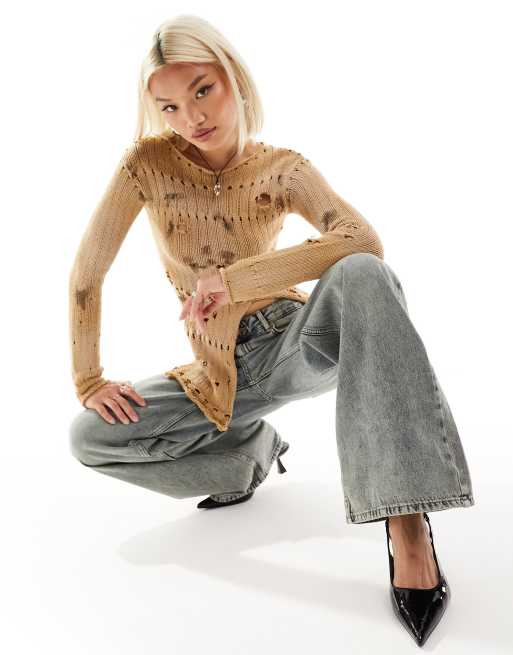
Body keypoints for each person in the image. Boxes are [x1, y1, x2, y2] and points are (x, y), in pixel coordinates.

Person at [68, 14, 475, 647]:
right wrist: (89, 378)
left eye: (203, 90)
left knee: (364, 273)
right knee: (90, 437)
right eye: (169, 106)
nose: (191, 117)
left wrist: (233, 281)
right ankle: (248, 460)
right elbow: (87, 274)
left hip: (295, 342)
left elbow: (361, 238)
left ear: (233, 77)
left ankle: (406, 521)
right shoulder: (146, 166)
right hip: (217, 375)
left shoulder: (282, 168)